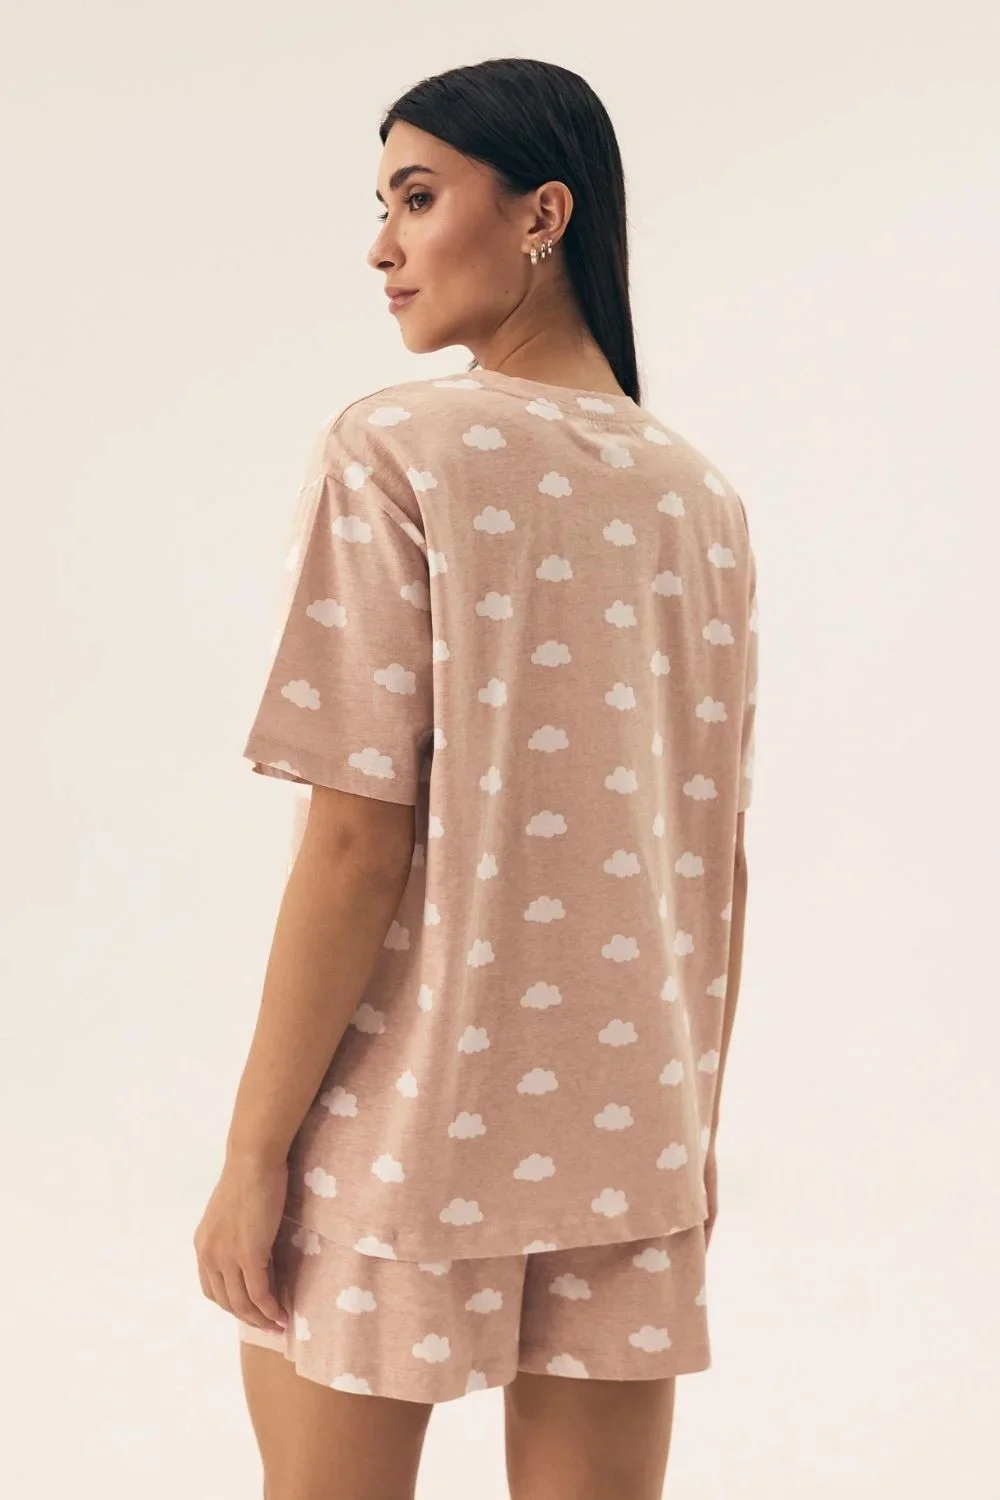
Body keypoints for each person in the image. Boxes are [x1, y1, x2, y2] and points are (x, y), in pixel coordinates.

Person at [194, 55, 758, 1500]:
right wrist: (690, 1137)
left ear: (542, 215)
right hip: (636, 1123)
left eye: (417, 197)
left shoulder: (401, 446)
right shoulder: (700, 497)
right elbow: (717, 854)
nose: (381, 245)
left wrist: (253, 1156)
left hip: (407, 1121)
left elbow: (354, 845)